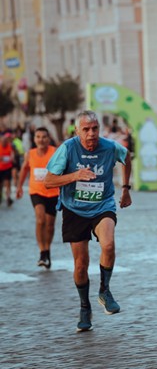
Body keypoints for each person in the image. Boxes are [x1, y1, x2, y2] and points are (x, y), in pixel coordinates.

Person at [44, 110, 132, 332]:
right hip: (74, 210)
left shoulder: (110, 147)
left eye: (94, 129)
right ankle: (85, 307)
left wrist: (126, 188)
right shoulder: (68, 148)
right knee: (81, 264)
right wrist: (75, 175)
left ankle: (104, 290)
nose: (91, 134)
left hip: (102, 206)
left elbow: (126, 156)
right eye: (86, 129)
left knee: (109, 245)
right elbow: (48, 181)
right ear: (77, 130)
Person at [16, 127, 60, 269]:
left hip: (53, 192)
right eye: (38, 137)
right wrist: (19, 187)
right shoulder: (30, 154)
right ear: (34, 139)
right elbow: (24, 169)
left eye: (44, 137)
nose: (41, 139)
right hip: (36, 191)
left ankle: (47, 250)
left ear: (48, 139)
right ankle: (42, 251)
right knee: (40, 219)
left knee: (50, 224)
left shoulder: (55, 152)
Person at [0, 131, 15, 207]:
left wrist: (10, 158)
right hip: (0, 169)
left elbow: (12, 156)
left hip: (7, 168)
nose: (4, 143)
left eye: (5, 141)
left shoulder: (9, 146)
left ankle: (8, 198)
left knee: (8, 184)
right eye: (2, 141)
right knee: (1, 185)